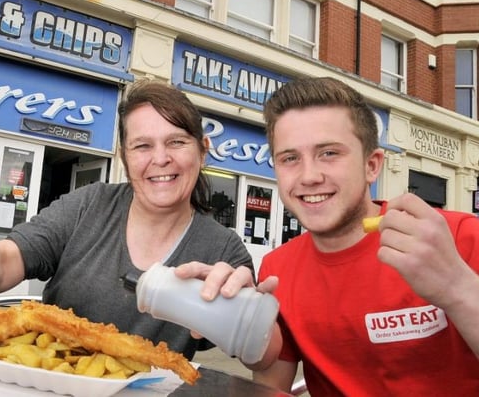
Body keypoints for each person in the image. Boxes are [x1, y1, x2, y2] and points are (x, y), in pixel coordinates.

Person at [0, 79, 254, 359]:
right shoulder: (89, 206)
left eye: (176, 142)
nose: (160, 159)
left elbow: (258, 353)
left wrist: (244, 315)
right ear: (124, 156)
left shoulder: (222, 250)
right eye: (142, 145)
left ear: (202, 152)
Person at [176, 76, 479, 395]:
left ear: (372, 165)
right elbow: (271, 386)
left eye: (329, 153)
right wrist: (239, 321)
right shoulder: (279, 269)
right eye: (290, 158)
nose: (309, 176)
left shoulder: (458, 237)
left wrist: (456, 287)